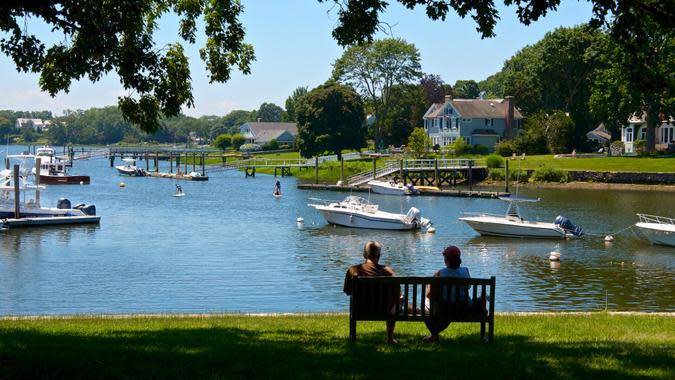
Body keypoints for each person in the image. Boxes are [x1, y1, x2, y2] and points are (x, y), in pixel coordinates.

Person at [343, 240, 399, 344]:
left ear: (364, 254)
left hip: (360, 309)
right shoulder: (388, 271)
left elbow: (348, 292)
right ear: (379, 255)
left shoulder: (352, 270)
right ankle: (390, 338)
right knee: (394, 304)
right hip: (384, 310)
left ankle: (352, 335)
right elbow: (397, 295)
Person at [423, 245, 471, 343]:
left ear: (446, 259)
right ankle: (433, 336)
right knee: (445, 312)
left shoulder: (440, 273)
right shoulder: (465, 271)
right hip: (463, 308)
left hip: (444, 308)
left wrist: (428, 285)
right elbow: (469, 287)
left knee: (425, 311)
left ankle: (434, 336)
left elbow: (429, 295)